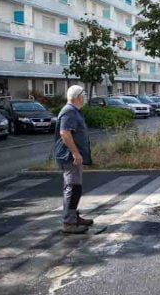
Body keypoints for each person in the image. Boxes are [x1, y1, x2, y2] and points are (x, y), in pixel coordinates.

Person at [54, 85, 94, 234]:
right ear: (79, 97)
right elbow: (64, 133)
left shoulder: (73, 111)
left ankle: (73, 216)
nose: (84, 98)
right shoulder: (69, 111)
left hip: (73, 156)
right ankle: (69, 222)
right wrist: (75, 153)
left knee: (74, 187)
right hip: (69, 156)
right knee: (73, 187)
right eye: (83, 95)